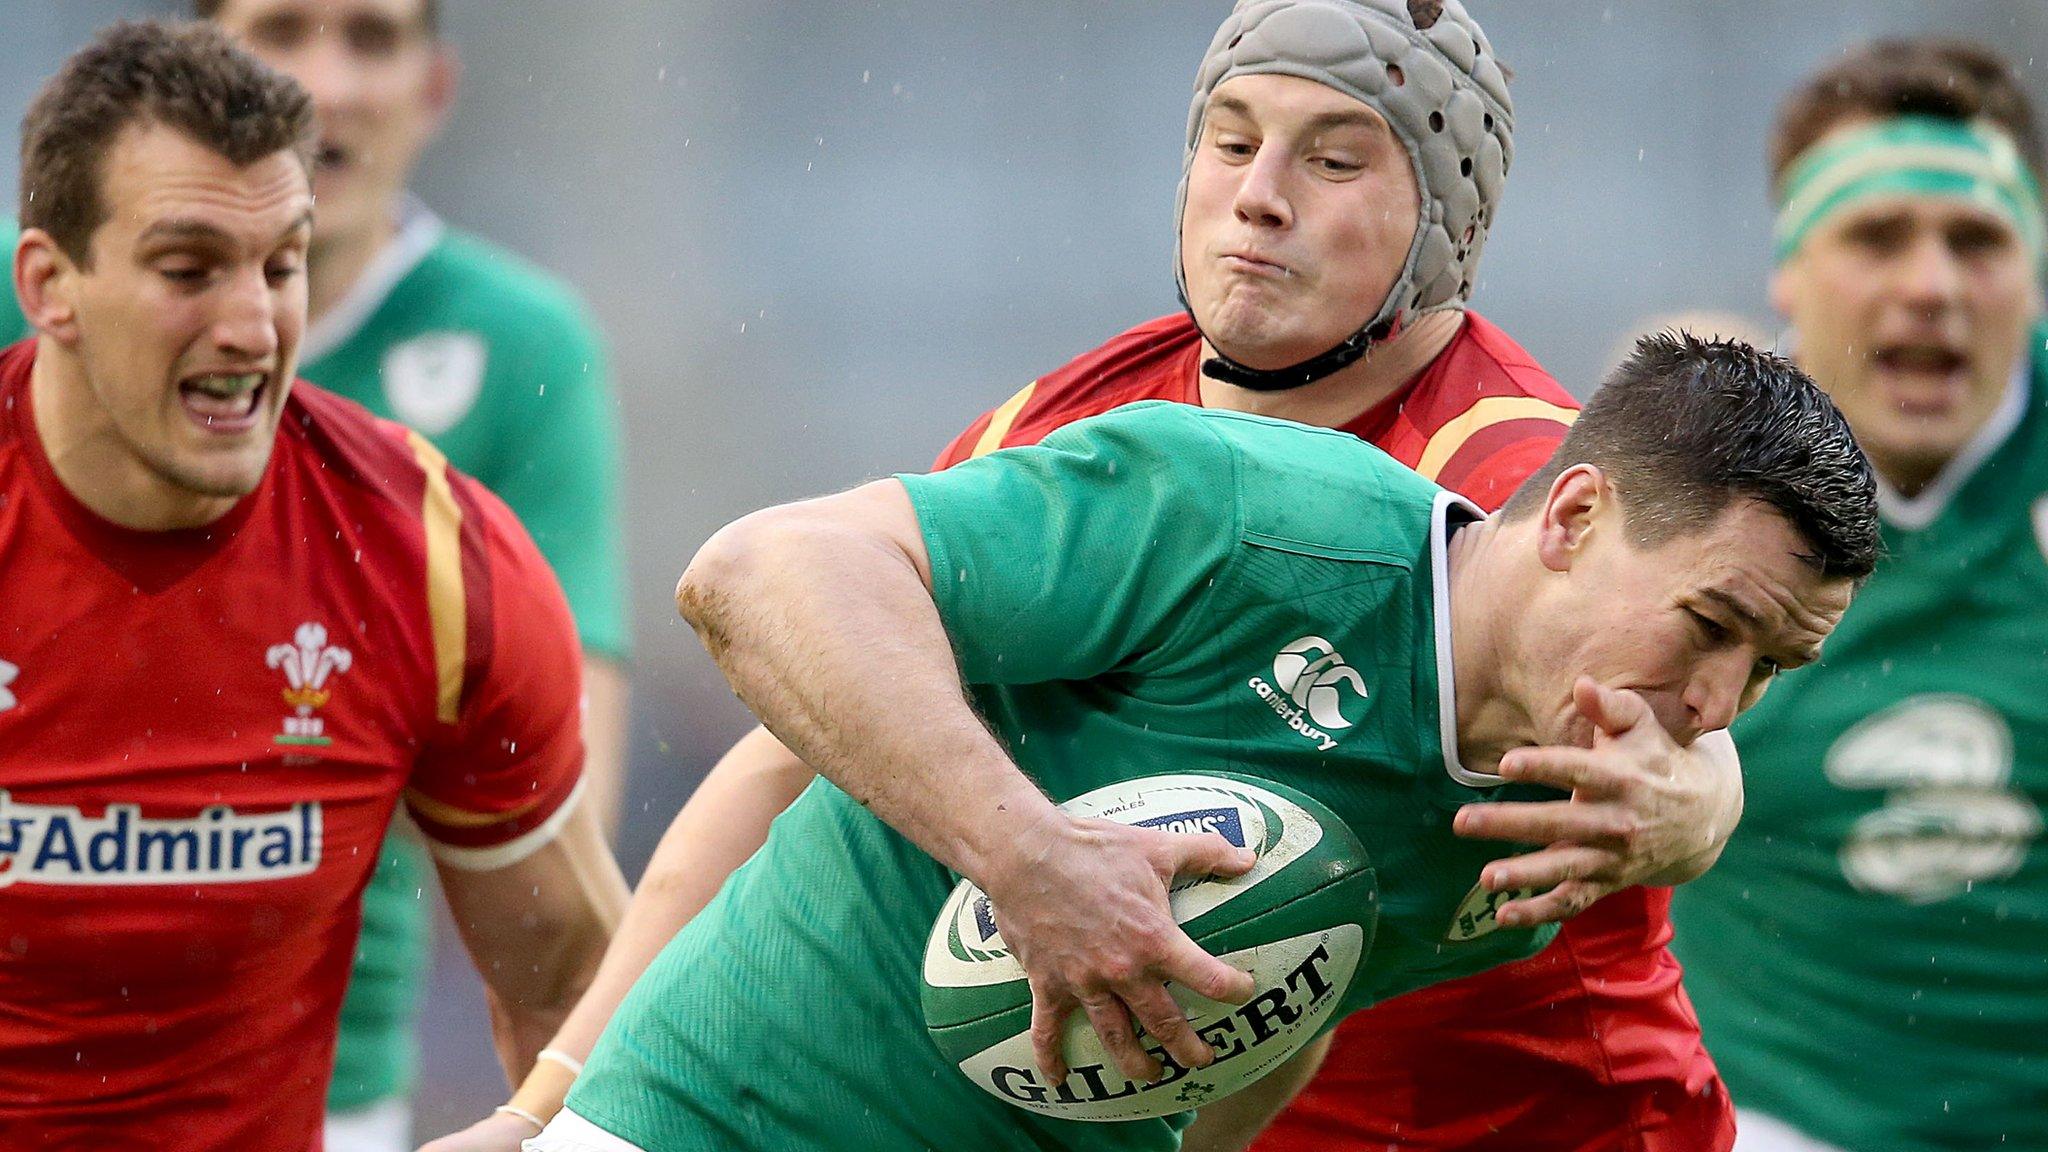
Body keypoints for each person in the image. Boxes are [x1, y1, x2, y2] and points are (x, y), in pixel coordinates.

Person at [429, 3, 1748, 1148]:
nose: (1261, 193)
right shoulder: (1084, 433)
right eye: (1232, 142)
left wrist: (1704, 799)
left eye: (1335, 158)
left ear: (1448, 220)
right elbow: (804, 747)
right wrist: (552, 1098)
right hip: (1204, 1113)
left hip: (1531, 1124)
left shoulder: (1509, 469)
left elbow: (1686, 661)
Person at [536, 331, 1875, 1152]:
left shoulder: (1550, 844)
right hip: (709, 1127)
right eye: (1711, 626)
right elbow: (756, 570)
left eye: (1773, 670)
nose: (1716, 704)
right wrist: (1026, 855)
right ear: (1574, 518)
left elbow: (1282, 1022)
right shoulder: (1250, 513)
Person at [0, 21, 627, 1150]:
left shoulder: (432, 555)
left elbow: (577, 987)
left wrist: (542, 1129)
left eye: (281, 266)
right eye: (188, 270)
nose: (251, 328)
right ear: (47, 284)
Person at [182, 2, 634, 1148]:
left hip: (323, 1086)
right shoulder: (26, 298)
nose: (324, 85)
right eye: (280, 29)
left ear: (434, 85)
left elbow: (566, 777)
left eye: (371, 39)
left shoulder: (517, 342)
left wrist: (551, 1096)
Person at [1670, 38, 2048, 1152]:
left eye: (1975, 241)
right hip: (1775, 1121)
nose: (1927, 285)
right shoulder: (1681, 495)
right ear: (1788, 271)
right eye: (1876, 238)